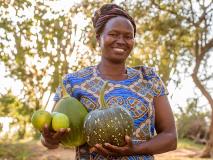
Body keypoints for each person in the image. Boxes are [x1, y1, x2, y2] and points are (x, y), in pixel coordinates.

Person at [40, 3, 177, 160]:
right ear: (99, 38)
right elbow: (51, 138)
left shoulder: (148, 78)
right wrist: (49, 139)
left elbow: (170, 137)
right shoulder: (73, 82)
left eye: (128, 36)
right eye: (113, 34)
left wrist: (135, 149)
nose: (121, 41)